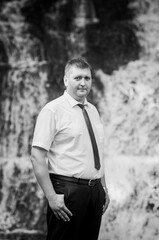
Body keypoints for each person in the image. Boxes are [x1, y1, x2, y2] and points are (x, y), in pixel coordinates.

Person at [31, 57, 110, 240]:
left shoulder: (92, 110)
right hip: (67, 191)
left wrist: (103, 189)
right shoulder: (52, 110)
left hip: (95, 191)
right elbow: (37, 156)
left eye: (87, 78)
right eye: (78, 78)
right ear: (66, 80)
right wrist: (51, 196)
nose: (83, 83)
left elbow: (96, 151)